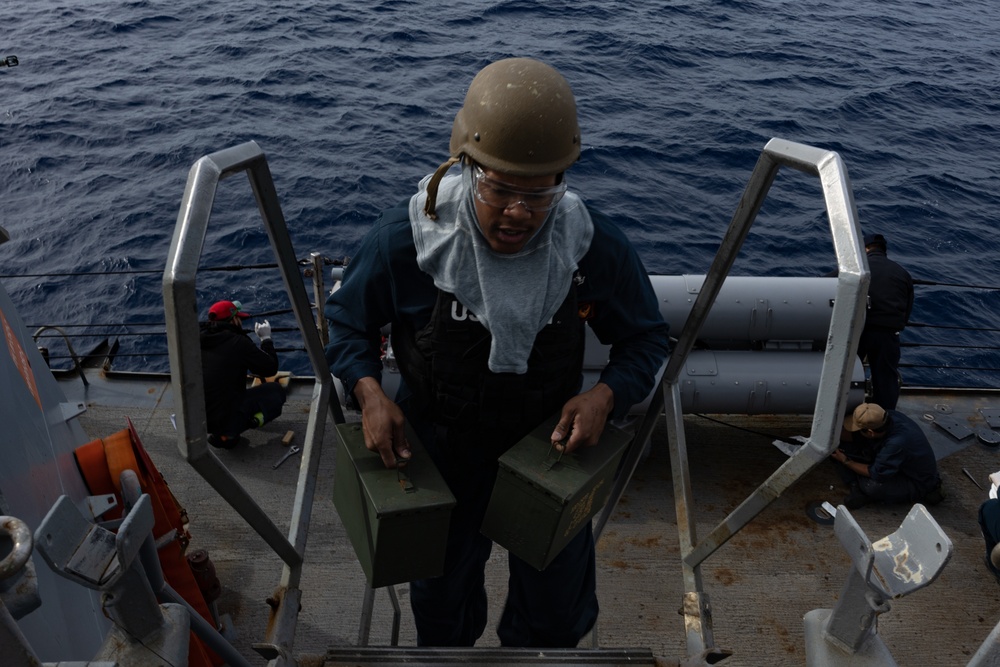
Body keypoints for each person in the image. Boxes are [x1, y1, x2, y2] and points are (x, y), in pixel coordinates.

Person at [325, 57, 670, 648]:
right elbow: (345, 323)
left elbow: (644, 338)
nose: (519, 213)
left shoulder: (590, 246)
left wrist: (605, 396)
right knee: (440, 610)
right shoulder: (406, 242)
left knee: (555, 615)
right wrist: (369, 391)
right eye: (500, 189)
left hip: (549, 451)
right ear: (466, 167)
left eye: (541, 196)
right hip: (439, 451)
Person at [200, 299, 286, 448]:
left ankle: (220, 434)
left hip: (196, 416)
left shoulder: (196, 338)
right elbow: (270, 368)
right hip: (223, 417)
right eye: (238, 318)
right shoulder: (238, 342)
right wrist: (266, 339)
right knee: (276, 391)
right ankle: (229, 432)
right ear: (233, 320)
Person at [831, 402, 943, 509]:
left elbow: (876, 473)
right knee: (844, 448)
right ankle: (856, 483)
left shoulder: (896, 443)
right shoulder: (887, 416)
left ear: (870, 432)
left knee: (871, 487)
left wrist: (846, 461)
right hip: (895, 460)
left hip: (914, 480)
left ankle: (860, 488)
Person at [858, 233, 914, 410]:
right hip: (888, 334)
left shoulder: (859, 269)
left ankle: (850, 416)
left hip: (860, 331)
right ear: (884, 250)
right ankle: (885, 419)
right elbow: (907, 310)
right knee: (886, 380)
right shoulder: (901, 273)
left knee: (849, 375)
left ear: (865, 249)